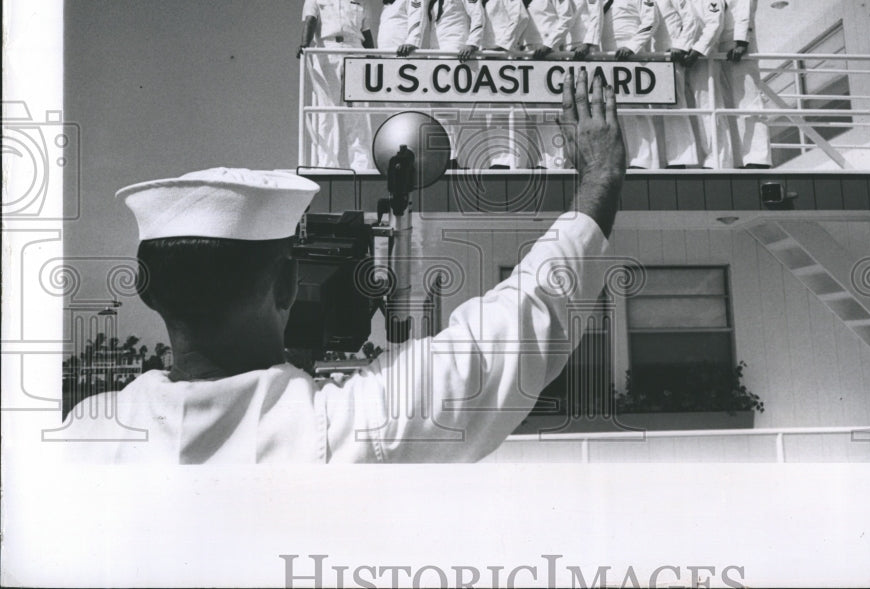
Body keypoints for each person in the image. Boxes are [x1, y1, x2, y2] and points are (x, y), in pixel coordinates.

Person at [64, 70, 626, 463]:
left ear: (145, 289)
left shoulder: (80, 437)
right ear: (288, 283)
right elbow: (515, 329)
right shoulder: (349, 432)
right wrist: (599, 177)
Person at [399, 0, 485, 167]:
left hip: (458, 54)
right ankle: (448, 156)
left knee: (458, 110)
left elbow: (477, 15)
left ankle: (461, 158)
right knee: (439, 109)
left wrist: (472, 43)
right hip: (438, 58)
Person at [297, 0, 375, 171]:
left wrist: (374, 59)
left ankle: (361, 165)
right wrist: (304, 45)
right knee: (327, 111)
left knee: (358, 112)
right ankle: (326, 164)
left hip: (356, 53)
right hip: (327, 52)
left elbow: (367, 34)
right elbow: (310, 20)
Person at [710, 0, 772, 168]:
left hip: (739, 47)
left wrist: (742, 42)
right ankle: (738, 158)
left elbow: (745, 7)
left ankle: (758, 158)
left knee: (749, 101)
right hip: (722, 48)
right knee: (730, 104)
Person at [638, 0, 700, 168]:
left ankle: (681, 160)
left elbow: (690, 20)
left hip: (671, 58)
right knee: (654, 111)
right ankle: (659, 161)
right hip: (652, 62)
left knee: (675, 108)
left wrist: (681, 46)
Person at [600, 0, 660, 169]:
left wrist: (633, 46)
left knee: (637, 110)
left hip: (632, 58)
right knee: (616, 112)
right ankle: (626, 158)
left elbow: (651, 21)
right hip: (610, 61)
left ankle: (644, 160)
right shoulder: (607, 0)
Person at [516, 0, 574, 168]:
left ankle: (557, 163)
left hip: (548, 57)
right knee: (532, 114)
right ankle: (542, 160)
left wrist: (549, 44)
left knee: (550, 113)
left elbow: (566, 17)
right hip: (529, 58)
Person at [473, 0, 530, 168]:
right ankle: (497, 159)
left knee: (511, 111)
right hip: (486, 61)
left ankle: (514, 161)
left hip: (505, 59)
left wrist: (503, 46)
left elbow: (520, 18)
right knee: (492, 113)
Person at [677, 0, 732, 169]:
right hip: (686, 62)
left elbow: (713, 26)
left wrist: (697, 51)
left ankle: (719, 159)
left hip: (703, 62)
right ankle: (701, 159)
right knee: (692, 111)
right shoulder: (686, 0)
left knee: (709, 109)